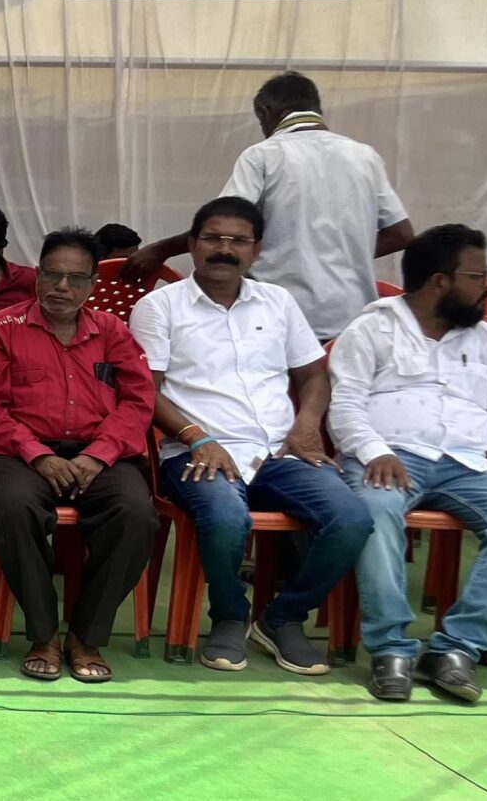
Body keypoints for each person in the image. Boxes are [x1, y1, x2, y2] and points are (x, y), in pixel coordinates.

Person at [133, 195, 368, 676]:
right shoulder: (160, 307)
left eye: (238, 241)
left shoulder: (278, 302)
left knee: (352, 518)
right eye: (213, 238)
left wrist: (306, 424)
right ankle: (229, 615)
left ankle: (282, 617)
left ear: (256, 250)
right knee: (224, 516)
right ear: (192, 244)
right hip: (196, 450)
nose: (225, 249)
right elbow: (145, 391)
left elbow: (314, 375)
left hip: (280, 451)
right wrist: (197, 436)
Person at [329, 225, 487, 704]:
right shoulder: (372, 328)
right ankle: (391, 649)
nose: (486, 288)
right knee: (376, 512)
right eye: (476, 276)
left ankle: (456, 649)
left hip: (467, 464)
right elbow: (344, 406)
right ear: (440, 282)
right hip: (388, 457)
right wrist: (375, 451)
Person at [0, 227, 157, 683]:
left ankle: (85, 637)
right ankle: (43, 635)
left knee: (136, 514)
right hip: (20, 453)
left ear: (93, 284)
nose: (62, 287)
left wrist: (99, 454)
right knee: (14, 509)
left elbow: (138, 402)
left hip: (100, 453)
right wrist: (38, 455)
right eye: (52, 275)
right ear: (36, 274)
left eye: (76, 279)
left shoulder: (112, 331)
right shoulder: (0, 329)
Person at [126, 72, 412, 340]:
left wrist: (161, 249)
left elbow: (224, 221)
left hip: (281, 318)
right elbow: (401, 234)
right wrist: (342, 254)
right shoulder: (364, 156)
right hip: (353, 321)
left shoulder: (264, 155)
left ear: (265, 113)